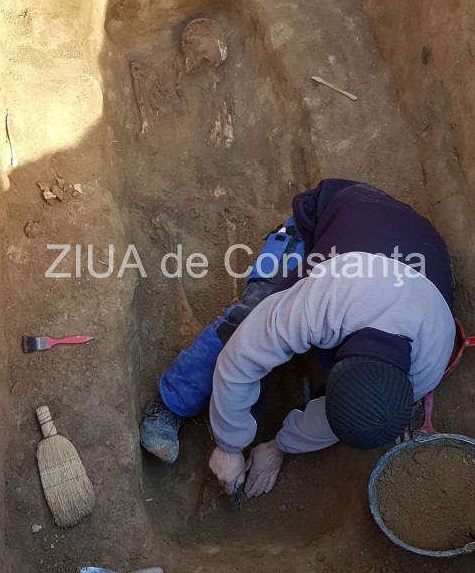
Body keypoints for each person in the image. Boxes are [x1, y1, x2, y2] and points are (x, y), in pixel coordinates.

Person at [140, 179, 457, 499]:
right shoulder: (322, 301)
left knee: (357, 402)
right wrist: (229, 446)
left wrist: (280, 446)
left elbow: (340, 417)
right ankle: (172, 402)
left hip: (416, 243)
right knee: (248, 318)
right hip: (332, 217)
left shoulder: (428, 367)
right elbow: (240, 357)